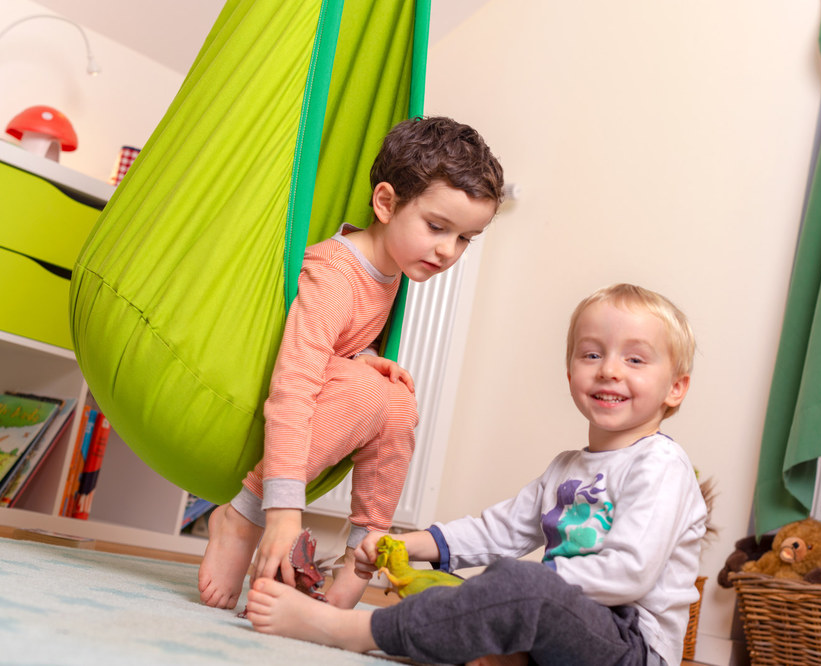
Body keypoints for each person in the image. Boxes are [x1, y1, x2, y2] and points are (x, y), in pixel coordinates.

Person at [243, 283, 709, 666]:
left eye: (634, 360)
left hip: (632, 646)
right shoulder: (567, 467)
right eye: (591, 355)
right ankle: (505, 655)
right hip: (565, 627)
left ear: (676, 388)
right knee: (468, 594)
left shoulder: (660, 465)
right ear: (570, 374)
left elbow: (628, 573)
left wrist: (517, 588)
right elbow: (500, 530)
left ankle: (356, 631)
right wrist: (408, 544)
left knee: (513, 588)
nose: (608, 370)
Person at [198, 116, 505, 611]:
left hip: (323, 391)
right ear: (385, 203)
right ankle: (240, 517)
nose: (448, 251)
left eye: (465, 238)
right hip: (274, 399)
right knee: (370, 393)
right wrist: (282, 512)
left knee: (399, 402)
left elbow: (341, 342)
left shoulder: (392, 267)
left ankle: (362, 553)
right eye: (436, 227)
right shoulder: (336, 275)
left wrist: (366, 357)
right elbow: (296, 382)